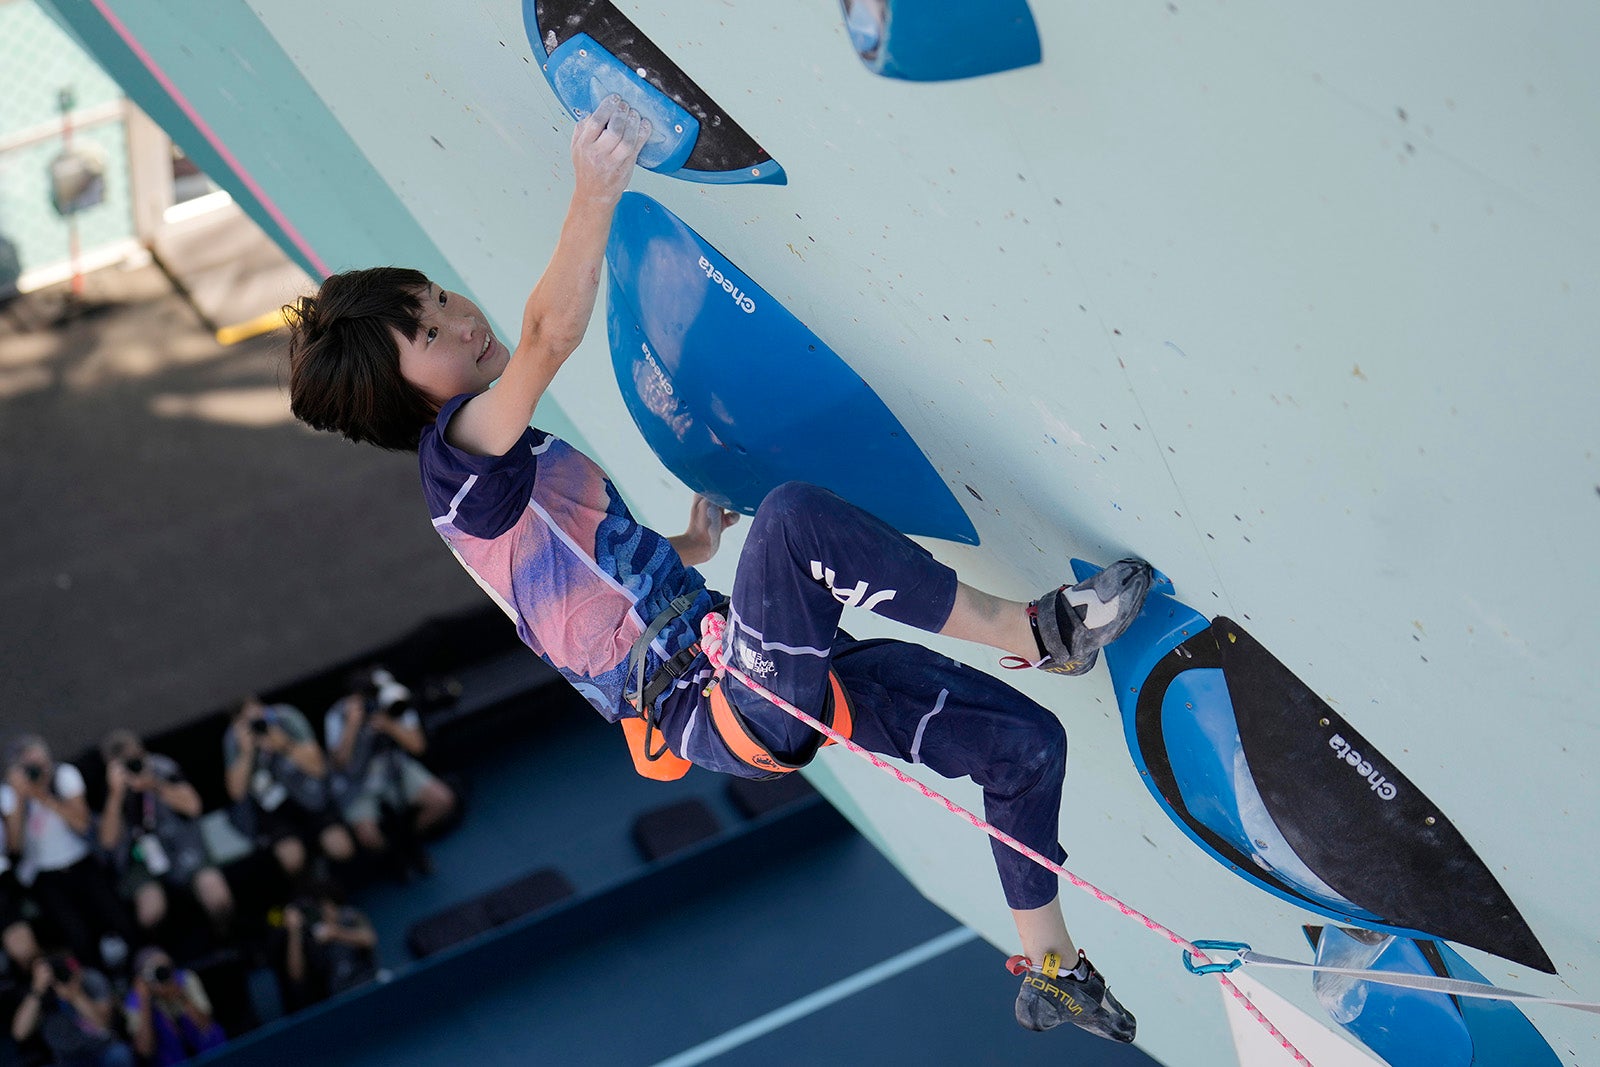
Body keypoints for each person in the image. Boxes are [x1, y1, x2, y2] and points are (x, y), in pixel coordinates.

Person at [283, 96, 1149, 1042]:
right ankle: (1036, 633)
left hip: (722, 653)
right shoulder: (454, 463)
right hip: (715, 696)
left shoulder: (489, 479)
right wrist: (594, 192)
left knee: (1023, 748)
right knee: (792, 524)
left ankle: (1051, 968)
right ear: (396, 396)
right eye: (427, 330)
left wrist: (688, 547)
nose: (456, 316)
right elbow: (547, 338)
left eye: (439, 297)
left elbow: (581, 607)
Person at [1, 737, 133, 973]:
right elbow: (14, 847)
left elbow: (82, 824)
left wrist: (42, 794)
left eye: (38, 764)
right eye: (28, 766)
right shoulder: (11, 793)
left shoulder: (63, 776)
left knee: (118, 920)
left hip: (81, 860)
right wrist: (21, 799)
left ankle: (135, 973)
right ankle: (99, 984)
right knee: (77, 935)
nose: (35, 771)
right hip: (44, 875)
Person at [98, 730, 235, 940]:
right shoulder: (109, 785)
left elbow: (193, 806)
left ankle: (226, 938)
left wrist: (154, 785)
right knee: (151, 912)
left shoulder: (161, 767)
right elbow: (107, 842)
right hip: (139, 858)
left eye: (134, 758)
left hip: (182, 845)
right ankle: (162, 957)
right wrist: (116, 796)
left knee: (217, 896)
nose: (131, 766)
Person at [324, 667, 457, 877]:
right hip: (357, 783)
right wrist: (352, 726)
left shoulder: (393, 702)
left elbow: (418, 746)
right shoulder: (337, 714)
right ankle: (393, 856)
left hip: (394, 767)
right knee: (369, 837)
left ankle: (408, 841)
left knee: (442, 801)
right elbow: (339, 764)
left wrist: (389, 725)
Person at [222, 699, 355, 883]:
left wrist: (284, 745)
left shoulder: (285, 717)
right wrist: (247, 753)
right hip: (273, 810)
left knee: (341, 847)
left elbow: (319, 769)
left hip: (310, 795)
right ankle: (312, 893)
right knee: (292, 859)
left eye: (257, 711)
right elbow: (236, 794)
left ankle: (337, 883)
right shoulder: (235, 737)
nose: (256, 719)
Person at [10, 953, 134, 1067]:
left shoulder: (89, 978)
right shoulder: (38, 994)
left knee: (120, 1053)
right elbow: (19, 1033)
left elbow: (103, 1025)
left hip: (102, 1051)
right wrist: (38, 990)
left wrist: (75, 995)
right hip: (66, 1059)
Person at [275, 881, 378, 1011]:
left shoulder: (349, 915)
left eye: (325, 905)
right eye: (319, 908)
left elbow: (369, 939)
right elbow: (296, 975)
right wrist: (294, 932)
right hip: (339, 1002)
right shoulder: (311, 938)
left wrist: (336, 933)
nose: (325, 911)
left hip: (370, 986)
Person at [122, 946, 226, 1065]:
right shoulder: (134, 1000)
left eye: (165, 968)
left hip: (200, 1048)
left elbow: (207, 1027)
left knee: (215, 1034)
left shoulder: (185, 979)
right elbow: (145, 1050)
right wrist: (144, 1001)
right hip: (169, 1058)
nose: (162, 975)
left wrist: (180, 995)